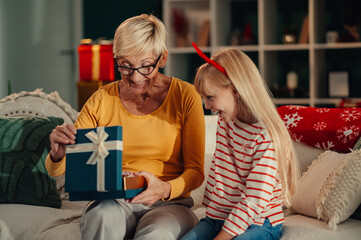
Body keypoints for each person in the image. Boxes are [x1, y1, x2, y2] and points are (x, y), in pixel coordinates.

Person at [45, 14, 205, 240]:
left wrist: (165, 189)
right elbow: (59, 170)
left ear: (162, 58)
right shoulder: (101, 100)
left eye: (145, 66)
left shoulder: (185, 96)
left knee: (157, 234)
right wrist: (58, 155)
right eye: (125, 66)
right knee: (101, 218)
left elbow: (196, 172)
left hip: (169, 204)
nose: (136, 77)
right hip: (113, 201)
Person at [181, 44, 300, 240]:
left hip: (259, 221)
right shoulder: (226, 121)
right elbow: (221, 173)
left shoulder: (265, 136)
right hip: (219, 216)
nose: (207, 106)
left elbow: (254, 201)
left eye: (210, 97)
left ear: (235, 90)